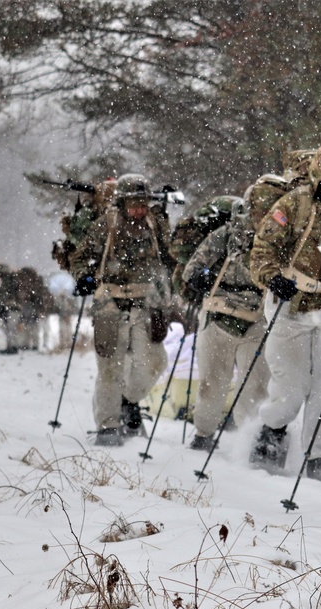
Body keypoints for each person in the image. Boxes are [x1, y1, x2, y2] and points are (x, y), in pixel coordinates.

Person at [248, 141, 321, 481]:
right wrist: (272, 278)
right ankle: (271, 432)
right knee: (291, 386)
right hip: (291, 304)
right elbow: (262, 250)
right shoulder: (293, 204)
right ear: (316, 176)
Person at [70, 173, 175, 446]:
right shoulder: (107, 224)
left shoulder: (156, 224)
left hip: (147, 302)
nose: (139, 209)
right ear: (122, 203)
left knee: (153, 362)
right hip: (111, 302)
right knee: (109, 367)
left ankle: (129, 400)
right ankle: (107, 426)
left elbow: (172, 256)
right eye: (134, 203)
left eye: (143, 203)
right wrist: (84, 277)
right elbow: (80, 257)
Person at [182, 197, 270, 451]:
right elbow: (192, 268)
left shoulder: (277, 239)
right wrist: (201, 277)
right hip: (219, 315)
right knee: (212, 382)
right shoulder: (226, 235)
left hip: (257, 318)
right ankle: (203, 433)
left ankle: (248, 441)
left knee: (254, 385)